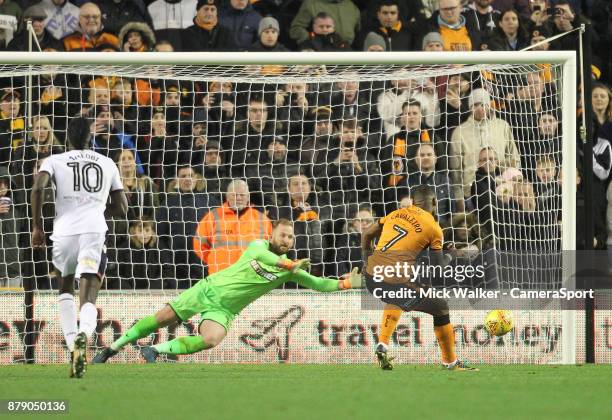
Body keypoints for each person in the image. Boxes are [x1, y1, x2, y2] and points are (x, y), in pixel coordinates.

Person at [93, 219, 364, 363]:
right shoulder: (259, 246)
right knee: (164, 317)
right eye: (283, 235)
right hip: (208, 290)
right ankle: (113, 348)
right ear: (272, 235)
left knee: (211, 339)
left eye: (291, 237)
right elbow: (267, 258)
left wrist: (347, 283)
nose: (287, 240)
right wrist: (290, 264)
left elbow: (320, 284)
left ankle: (156, 350)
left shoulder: (290, 270)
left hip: (224, 309)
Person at [30, 116, 128, 378]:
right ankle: (84, 335)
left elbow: (38, 187)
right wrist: (97, 212)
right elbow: (122, 207)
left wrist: (37, 227)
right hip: (93, 231)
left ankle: (73, 342)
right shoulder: (107, 163)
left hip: (63, 232)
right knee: (89, 290)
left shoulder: (53, 160)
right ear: (89, 137)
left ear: (68, 137)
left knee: (64, 286)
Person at [361, 185, 478, 371]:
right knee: (440, 307)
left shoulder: (395, 214)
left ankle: (382, 344)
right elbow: (437, 270)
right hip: (394, 278)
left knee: (398, 295)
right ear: (434, 202)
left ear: (413, 202)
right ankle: (451, 362)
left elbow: (367, 234)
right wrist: (453, 255)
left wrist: (367, 261)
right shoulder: (433, 227)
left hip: (371, 275)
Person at [193, 179, 272, 274]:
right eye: (234, 194)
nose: (238, 198)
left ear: (248, 197)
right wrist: (213, 260)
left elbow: (270, 248)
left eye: (242, 195)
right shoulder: (212, 217)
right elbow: (199, 245)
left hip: (251, 277)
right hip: (220, 276)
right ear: (227, 196)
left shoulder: (262, 219)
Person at [290, 0, 361, 47]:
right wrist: (311, 42)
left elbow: (359, 31)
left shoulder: (350, 5)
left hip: (347, 54)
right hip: (319, 56)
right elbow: (296, 28)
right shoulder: (311, 4)